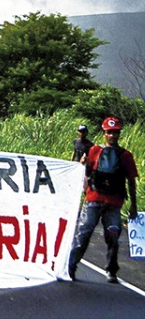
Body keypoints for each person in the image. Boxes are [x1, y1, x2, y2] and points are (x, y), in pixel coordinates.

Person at [68, 117, 138, 284]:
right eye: (109, 132)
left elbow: (131, 181)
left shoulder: (126, 155)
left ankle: (111, 270)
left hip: (113, 202)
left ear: (119, 134)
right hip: (94, 199)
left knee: (113, 236)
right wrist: (82, 165)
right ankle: (70, 266)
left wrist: (133, 205)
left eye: (114, 132)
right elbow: (87, 174)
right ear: (104, 134)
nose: (112, 136)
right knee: (83, 234)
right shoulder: (94, 151)